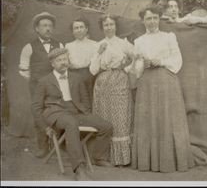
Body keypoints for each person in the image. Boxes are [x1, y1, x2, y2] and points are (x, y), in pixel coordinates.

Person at [32, 48, 113, 180]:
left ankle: (99, 157)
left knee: (106, 126)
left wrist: (86, 113)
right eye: (59, 60)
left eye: (65, 59)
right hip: (56, 113)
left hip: (76, 111)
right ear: (52, 63)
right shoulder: (44, 81)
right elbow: (36, 107)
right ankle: (79, 168)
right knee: (71, 123)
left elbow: (85, 99)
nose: (63, 62)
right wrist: (45, 127)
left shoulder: (77, 78)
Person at [131, 5, 195, 173]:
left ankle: (170, 161)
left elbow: (177, 59)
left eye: (154, 18)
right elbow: (136, 71)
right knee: (148, 119)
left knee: (167, 117)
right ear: (142, 21)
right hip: (146, 83)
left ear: (159, 19)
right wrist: (141, 64)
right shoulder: (138, 42)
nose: (151, 22)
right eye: (148, 19)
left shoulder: (169, 37)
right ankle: (148, 162)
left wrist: (161, 61)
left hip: (166, 81)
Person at [89, 14, 134, 167]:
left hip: (120, 82)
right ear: (102, 28)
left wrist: (126, 68)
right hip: (102, 84)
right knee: (104, 117)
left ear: (116, 26)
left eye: (111, 24)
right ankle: (103, 157)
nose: (109, 27)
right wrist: (99, 53)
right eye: (106, 25)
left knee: (121, 118)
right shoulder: (98, 45)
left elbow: (137, 59)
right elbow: (93, 70)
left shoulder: (124, 43)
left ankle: (122, 158)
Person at [19, 12, 64, 158]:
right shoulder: (29, 47)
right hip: (37, 87)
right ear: (37, 28)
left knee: (58, 111)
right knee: (39, 114)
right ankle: (43, 146)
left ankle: (60, 145)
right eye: (44, 25)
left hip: (56, 87)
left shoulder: (59, 45)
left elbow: (63, 66)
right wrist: (37, 83)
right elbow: (23, 70)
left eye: (50, 25)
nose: (48, 28)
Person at [65, 16, 97, 105]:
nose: (79, 30)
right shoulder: (68, 46)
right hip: (74, 75)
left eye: (81, 27)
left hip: (90, 75)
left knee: (89, 100)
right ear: (72, 31)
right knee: (76, 101)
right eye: (76, 28)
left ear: (86, 29)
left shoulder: (94, 44)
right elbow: (66, 63)